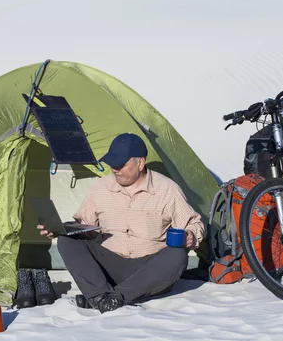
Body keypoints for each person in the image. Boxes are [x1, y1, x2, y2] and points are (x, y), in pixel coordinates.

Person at [37, 133, 204, 313]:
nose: (114, 169)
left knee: (177, 256)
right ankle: (102, 298)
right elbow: (85, 226)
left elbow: (194, 223)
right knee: (66, 241)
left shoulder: (167, 190)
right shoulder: (102, 187)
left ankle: (110, 298)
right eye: (111, 164)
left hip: (149, 270)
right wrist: (61, 229)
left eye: (120, 165)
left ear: (140, 163)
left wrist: (190, 236)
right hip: (110, 265)